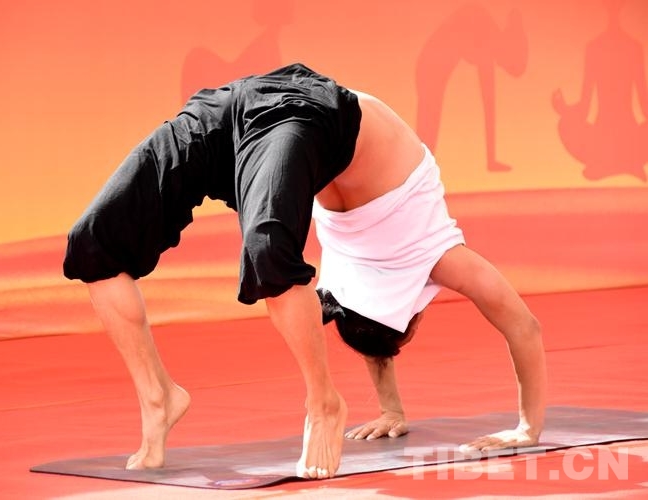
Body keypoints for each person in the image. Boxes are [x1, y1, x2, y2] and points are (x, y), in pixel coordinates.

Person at [63, 63, 546, 480]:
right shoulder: (435, 253)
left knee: (259, 253)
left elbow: (374, 336)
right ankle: (279, 400)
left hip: (266, 122)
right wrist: (526, 427)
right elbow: (523, 324)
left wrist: (393, 410)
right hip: (302, 108)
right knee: (93, 244)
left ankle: (196, 399)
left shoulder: (344, 289)